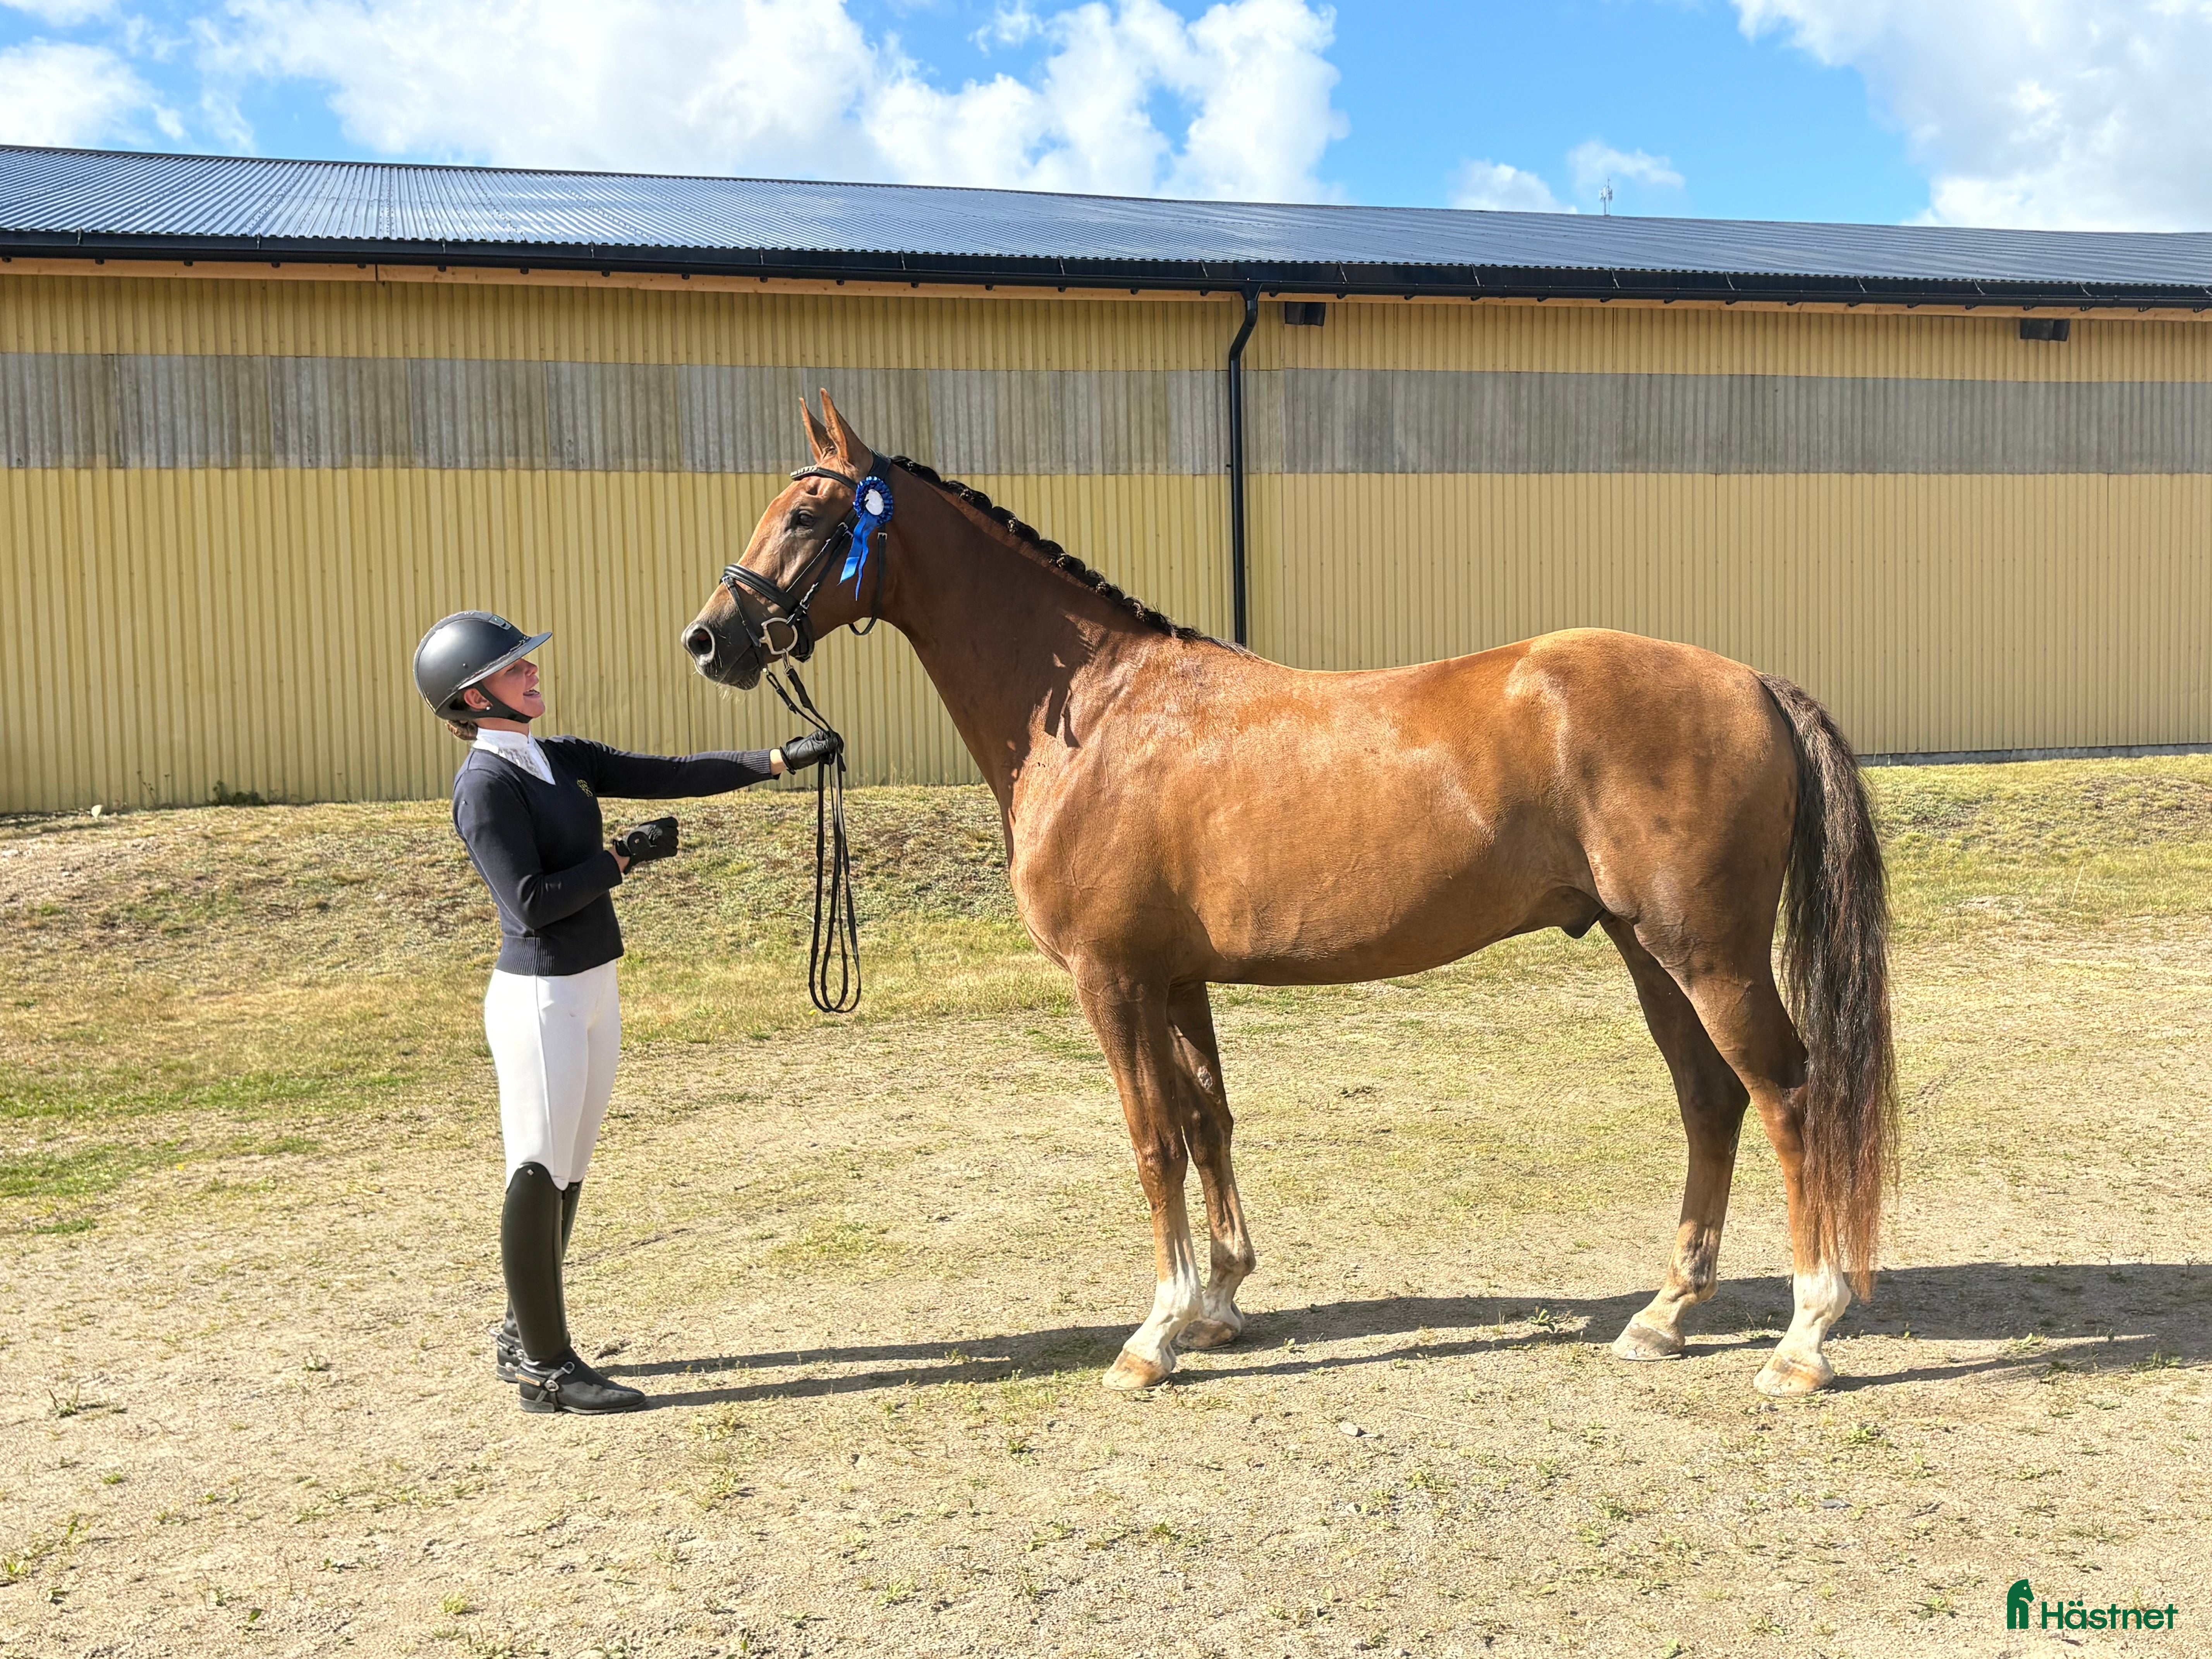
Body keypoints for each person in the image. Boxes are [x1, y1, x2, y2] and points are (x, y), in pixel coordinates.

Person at [412, 611, 839, 1415]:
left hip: (592, 989)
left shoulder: (554, 757)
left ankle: (522, 1327)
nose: (534, 674)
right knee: (537, 1168)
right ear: (474, 696)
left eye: (530, 664)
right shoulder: (485, 785)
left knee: (568, 1172)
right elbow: (532, 903)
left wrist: (775, 761)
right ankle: (546, 1366)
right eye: (516, 670)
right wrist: (620, 860)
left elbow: (667, 772)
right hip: (540, 997)